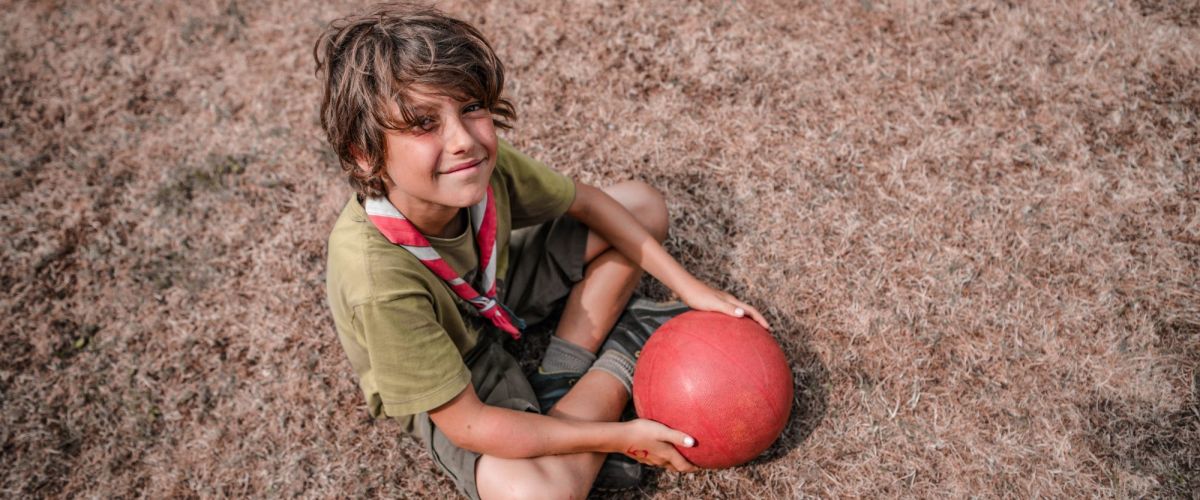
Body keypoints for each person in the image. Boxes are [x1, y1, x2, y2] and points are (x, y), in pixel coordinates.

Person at [315, 3, 770, 498]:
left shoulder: (476, 164)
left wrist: (690, 287)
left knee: (641, 206)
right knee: (536, 493)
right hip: (459, 375)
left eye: (470, 107)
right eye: (424, 124)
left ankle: (564, 371)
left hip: (500, 291)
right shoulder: (379, 285)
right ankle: (620, 358)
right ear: (365, 153)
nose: (463, 140)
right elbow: (469, 426)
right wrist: (620, 436)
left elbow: (590, 203)